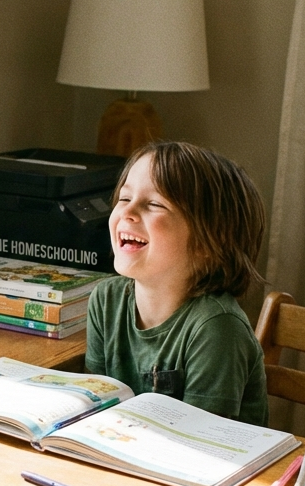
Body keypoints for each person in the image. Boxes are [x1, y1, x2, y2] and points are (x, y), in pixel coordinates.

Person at [85, 141, 269, 426]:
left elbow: (198, 442)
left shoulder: (216, 327)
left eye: (154, 204)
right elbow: (93, 406)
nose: (127, 212)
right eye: (124, 198)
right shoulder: (105, 301)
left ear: (209, 242)